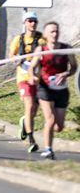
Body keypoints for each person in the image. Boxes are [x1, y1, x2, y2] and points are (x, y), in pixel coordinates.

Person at [28, 21, 77, 160]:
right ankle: (48, 149)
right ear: (45, 35)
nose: (55, 34)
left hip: (61, 90)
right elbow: (32, 67)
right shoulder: (41, 50)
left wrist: (66, 74)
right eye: (51, 32)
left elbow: (74, 67)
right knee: (50, 119)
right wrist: (32, 77)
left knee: (59, 127)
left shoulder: (66, 49)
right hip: (45, 88)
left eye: (56, 31)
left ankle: (49, 135)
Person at [8, 11, 43, 153]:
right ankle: (31, 139)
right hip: (23, 78)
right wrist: (15, 59)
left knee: (34, 110)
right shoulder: (18, 39)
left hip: (38, 79)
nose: (32, 23)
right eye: (29, 21)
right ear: (24, 23)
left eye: (34, 21)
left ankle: (24, 122)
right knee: (29, 107)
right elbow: (11, 55)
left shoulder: (41, 39)